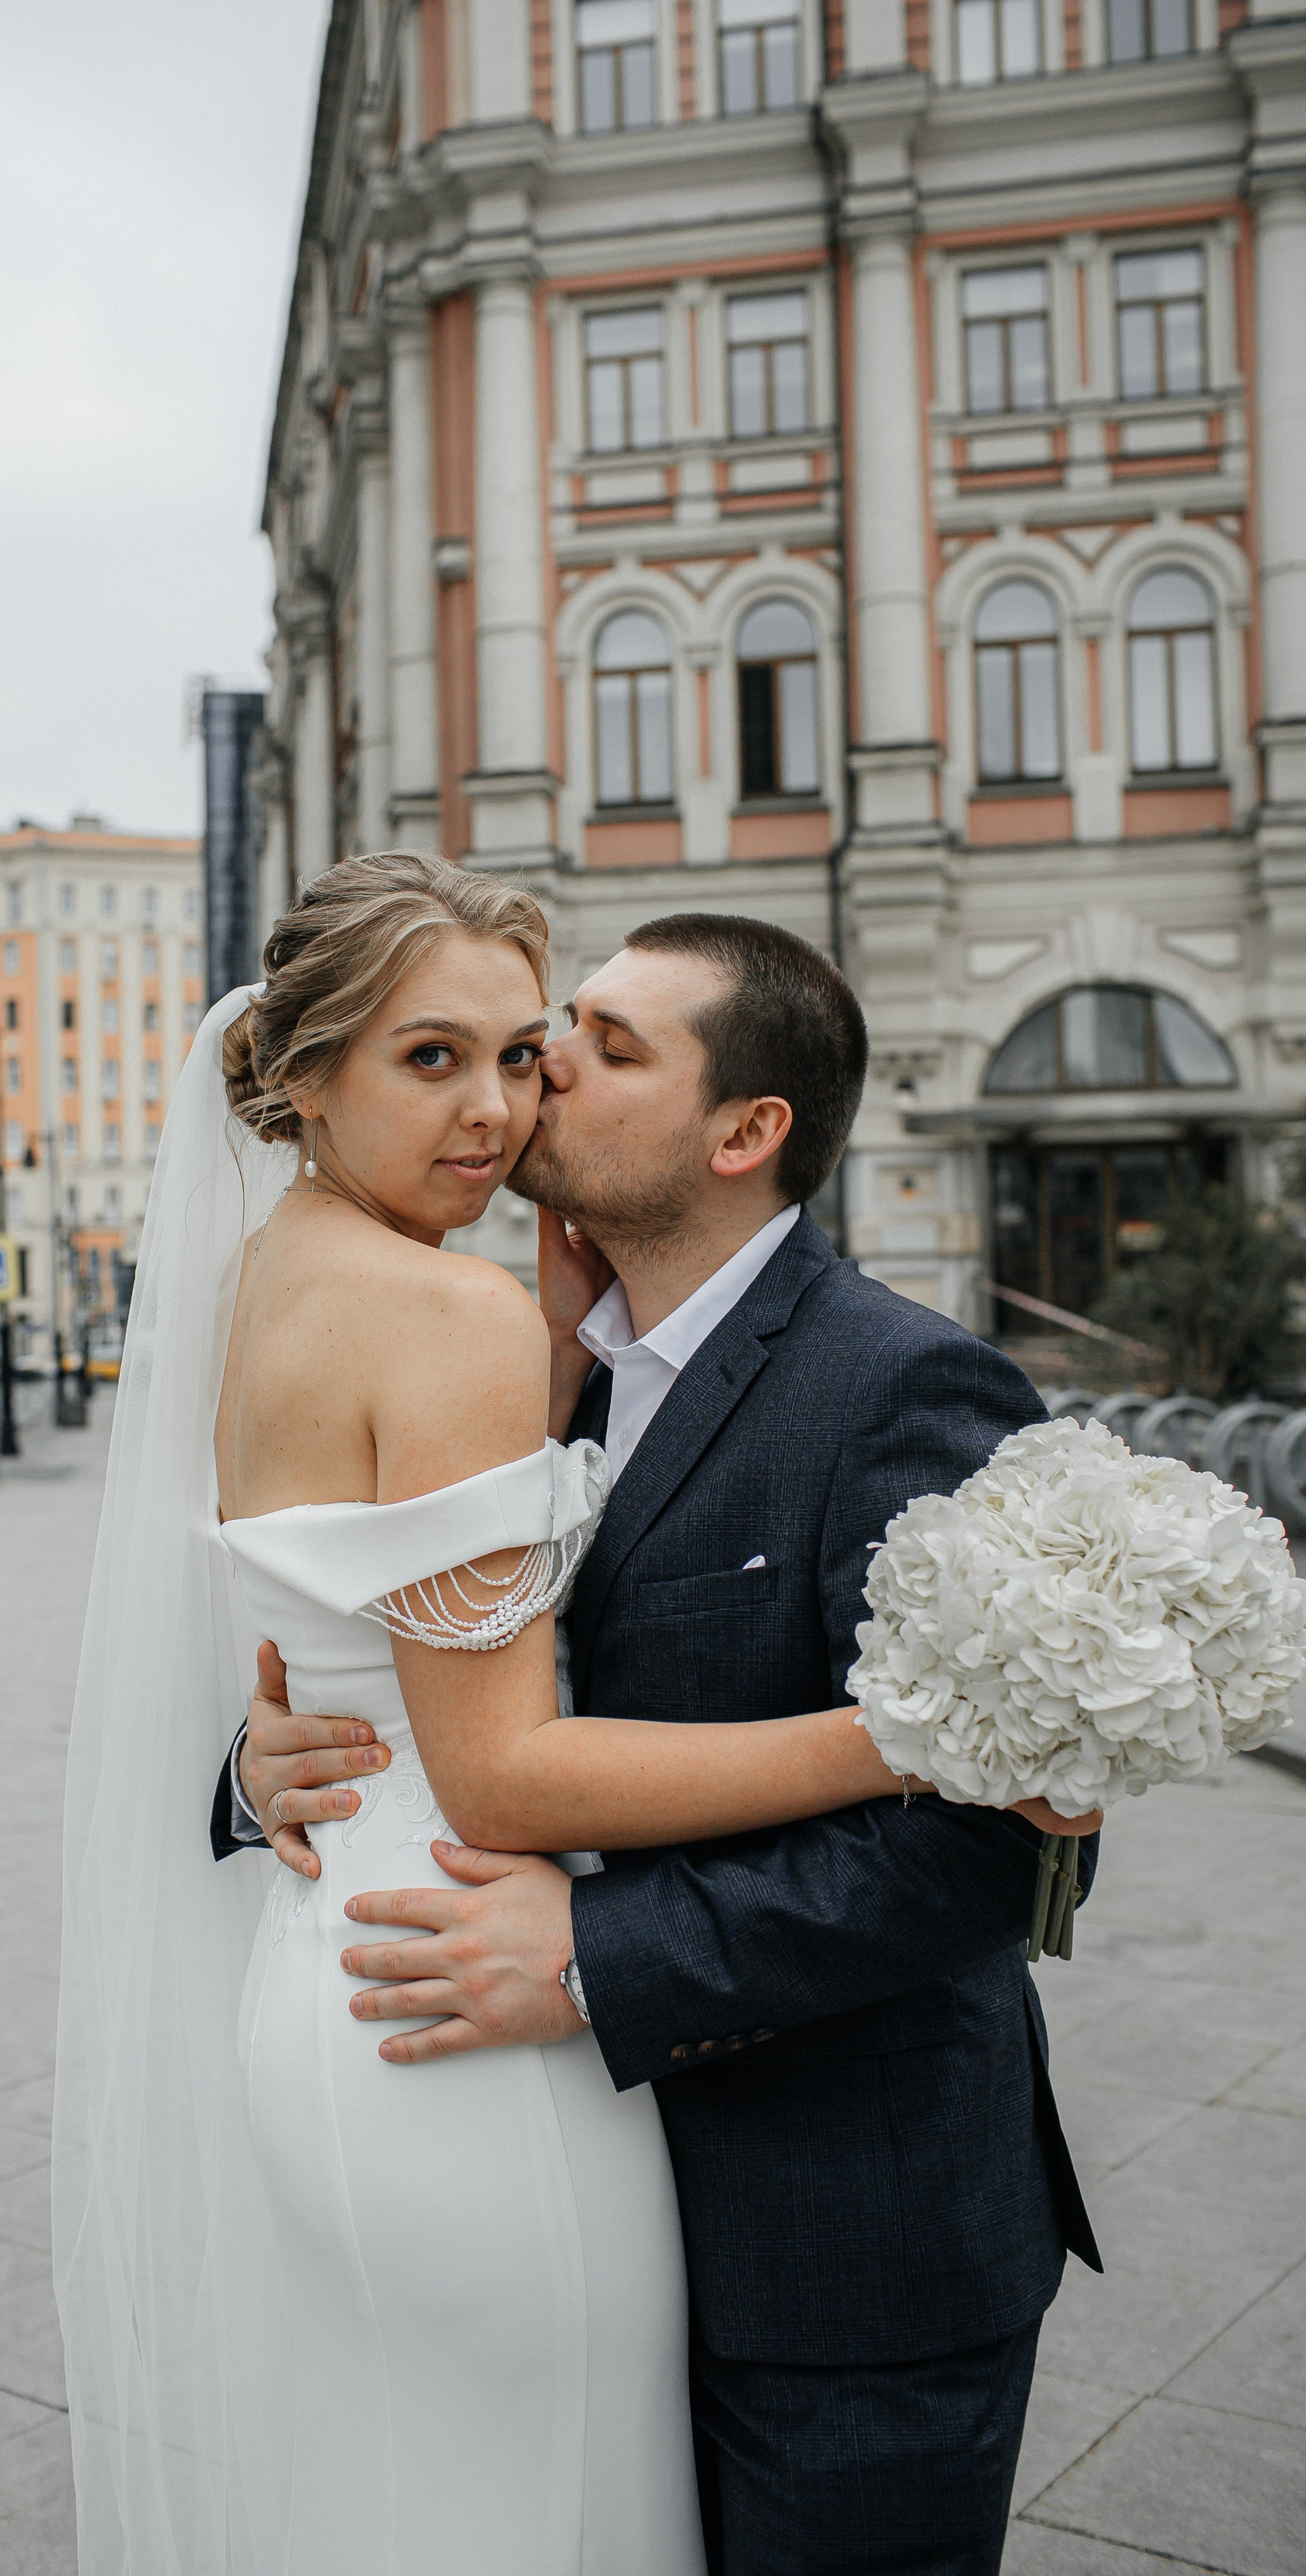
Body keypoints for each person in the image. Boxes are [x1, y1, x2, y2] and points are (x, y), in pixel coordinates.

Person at [220, 897, 1105, 2576]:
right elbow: (371, 1660)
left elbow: (991, 1839)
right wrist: (264, 1765)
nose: (538, 1064)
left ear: (743, 1132)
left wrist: (595, 1955)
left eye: (600, 1044)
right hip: (531, 2165)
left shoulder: (906, 1388)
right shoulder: (518, 1349)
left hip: (832, 2244)